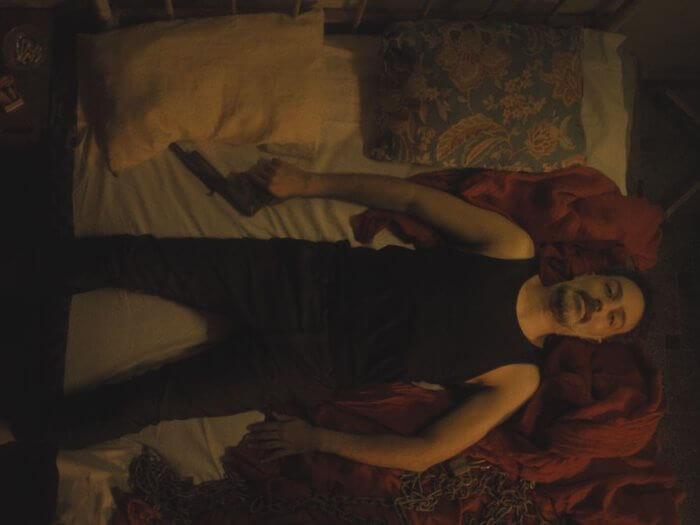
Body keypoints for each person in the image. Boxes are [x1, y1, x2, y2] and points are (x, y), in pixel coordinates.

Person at [0, 159, 646, 472]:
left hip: (311, 366)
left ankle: (15, 429)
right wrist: (308, 183)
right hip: (305, 279)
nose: (602, 305)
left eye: (612, 318)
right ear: (589, 273)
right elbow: (410, 199)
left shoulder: (519, 376)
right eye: (611, 289)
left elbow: (426, 452)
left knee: (153, 400)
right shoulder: (511, 248)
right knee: (137, 259)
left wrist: (319, 440)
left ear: (595, 335)